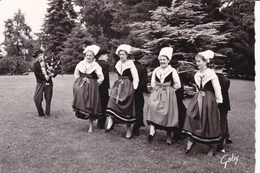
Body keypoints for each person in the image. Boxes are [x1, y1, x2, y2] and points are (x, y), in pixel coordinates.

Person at [182, 50, 223, 157]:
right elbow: (197, 87)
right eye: (196, 61)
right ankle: (191, 139)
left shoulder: (211, 73)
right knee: (191, 115)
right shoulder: (197, 73)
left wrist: (218, 101)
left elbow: (217, 88)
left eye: (199, 61)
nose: (197, 63)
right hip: (198, 98)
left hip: (208, 99)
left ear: (205, 62)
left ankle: (212, 147)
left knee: (208, 121)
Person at [146, 47, 181, 145]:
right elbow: (153, 83)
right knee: (153, 108)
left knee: (167, 113)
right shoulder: (156, 70)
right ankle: (152, 131)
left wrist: (170, 90)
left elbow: (178, 84)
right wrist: (157, 89)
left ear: (168, 60)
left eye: (164, 60)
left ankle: (169, 136)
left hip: (168, 94)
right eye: (160, 60)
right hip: (157, 92)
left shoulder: (172, 71)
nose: (162, 61)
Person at [105, 44, 139, 139]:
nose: (121, 56)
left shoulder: (130, 64)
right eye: (120, 54)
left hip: (127, 85)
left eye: (123, 54)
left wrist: (134, 89)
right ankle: (110, 121)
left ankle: (129, 129)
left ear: (127, 55)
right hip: (118, 84)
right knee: (112, 99)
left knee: (127, 106)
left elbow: (136, 78)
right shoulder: (118, 64)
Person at [72, 45, 104, 132]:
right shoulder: (81, 64)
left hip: (91, 87)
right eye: (87, 55)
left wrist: (94, 84)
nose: (88, 57)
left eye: (90, 55)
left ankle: (91, 126)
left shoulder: (96, 65)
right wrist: (79, 81)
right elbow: (76, 73)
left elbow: (101, 77)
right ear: (85, 56)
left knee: (90, 105)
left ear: (94, 56)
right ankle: (83, 115)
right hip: (82, 86)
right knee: (82, 103)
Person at [213, 59, 232, 153]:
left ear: (213, 66)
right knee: (222, 123)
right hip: (223, 104)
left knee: (217, 122)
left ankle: (227, 137)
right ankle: (220, 145)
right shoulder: (226, 80)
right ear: (223, 68)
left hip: (212, 102)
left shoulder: (210, 78)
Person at [32, 49, 57, 118]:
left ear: (43, 55)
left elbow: (55, 71)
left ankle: (47, 113)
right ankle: (41, 113)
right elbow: (37, 75)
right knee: (36, 98)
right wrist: (45, 76)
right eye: (38, 56)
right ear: (37, 57)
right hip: (40, 82)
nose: (40, 57)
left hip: (49, 82)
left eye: (41, 55)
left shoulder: (48, 63)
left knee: (48, 98)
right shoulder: (35, 65)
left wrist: (53, 74)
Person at [130, 49, 148, 136]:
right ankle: (137, 127)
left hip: (130, 89)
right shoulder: (142, 68)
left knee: (132, 106)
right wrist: (143, 90)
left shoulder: (130, 66)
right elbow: (144, 81)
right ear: (141, 58)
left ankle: (139, 122)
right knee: (139, 107)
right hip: (138, 90)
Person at [170, 60, 187, 142]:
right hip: (176, 98)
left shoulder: (171, 74)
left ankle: (178, 133)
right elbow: (178, 88)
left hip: (174, 98)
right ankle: (177, 135)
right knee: (181, 115)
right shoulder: (175, 75)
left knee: (181, 114)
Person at [95, 48, 111, 129]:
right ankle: (102, 123)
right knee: (104, 105)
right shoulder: (104, 64)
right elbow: (104, 77)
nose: (107, 57)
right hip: (103, 87)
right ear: (101, 56)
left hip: (96, 86)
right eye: (106, 55)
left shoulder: (95, 63)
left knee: (98, 104)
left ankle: (99, 121)